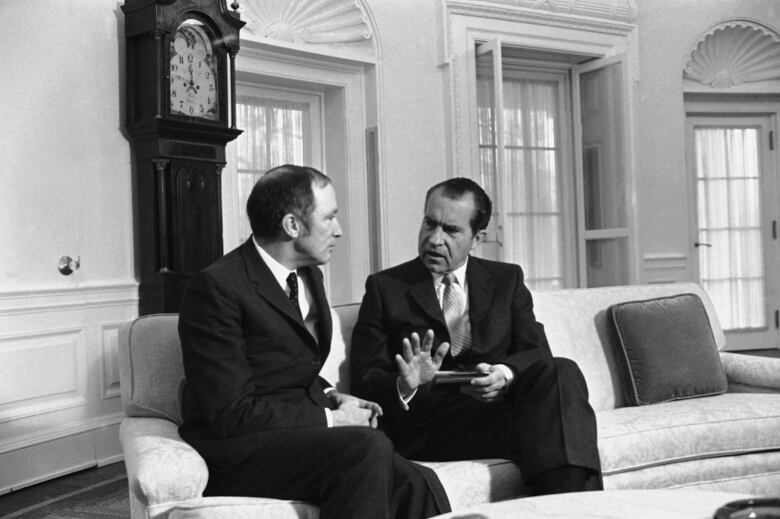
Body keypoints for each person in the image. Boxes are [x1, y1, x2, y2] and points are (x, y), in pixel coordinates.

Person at [178, 164, 451, 519]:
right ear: (293, 226)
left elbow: (289, 369)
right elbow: (230, 413)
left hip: (295, 436)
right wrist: (330, 419)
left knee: (418, 481)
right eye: (330, 218)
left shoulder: (309, 275)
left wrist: (332, 395)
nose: (338, 231)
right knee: (365, 447)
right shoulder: (217, 288)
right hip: (239, 450)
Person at [350, 177, 603, 495]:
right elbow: (365, 380)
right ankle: (578, 509)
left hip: (497, 414)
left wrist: (505, 374)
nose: (434, 239)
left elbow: (537, 353)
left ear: (477, 237)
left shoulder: (506, 279)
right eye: (429, 223)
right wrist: (406, 383)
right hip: (431, 425)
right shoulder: (385, 288)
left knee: (562, 371)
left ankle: (566, 508)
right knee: (558, 431)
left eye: (451, 230)